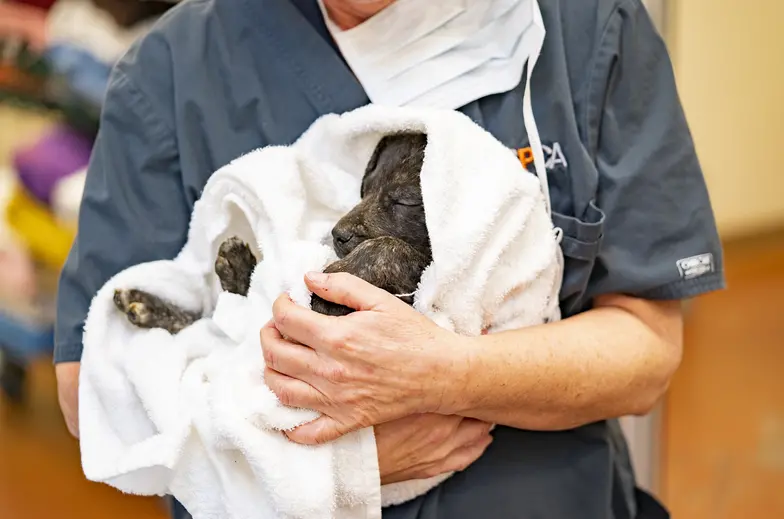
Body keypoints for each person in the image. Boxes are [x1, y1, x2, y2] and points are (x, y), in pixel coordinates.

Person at [54, 0, 725, 518]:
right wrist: (342, 469)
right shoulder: (176, 72)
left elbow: (646, 348)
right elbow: (92, 389)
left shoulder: (581, 29)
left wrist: (445, 374)